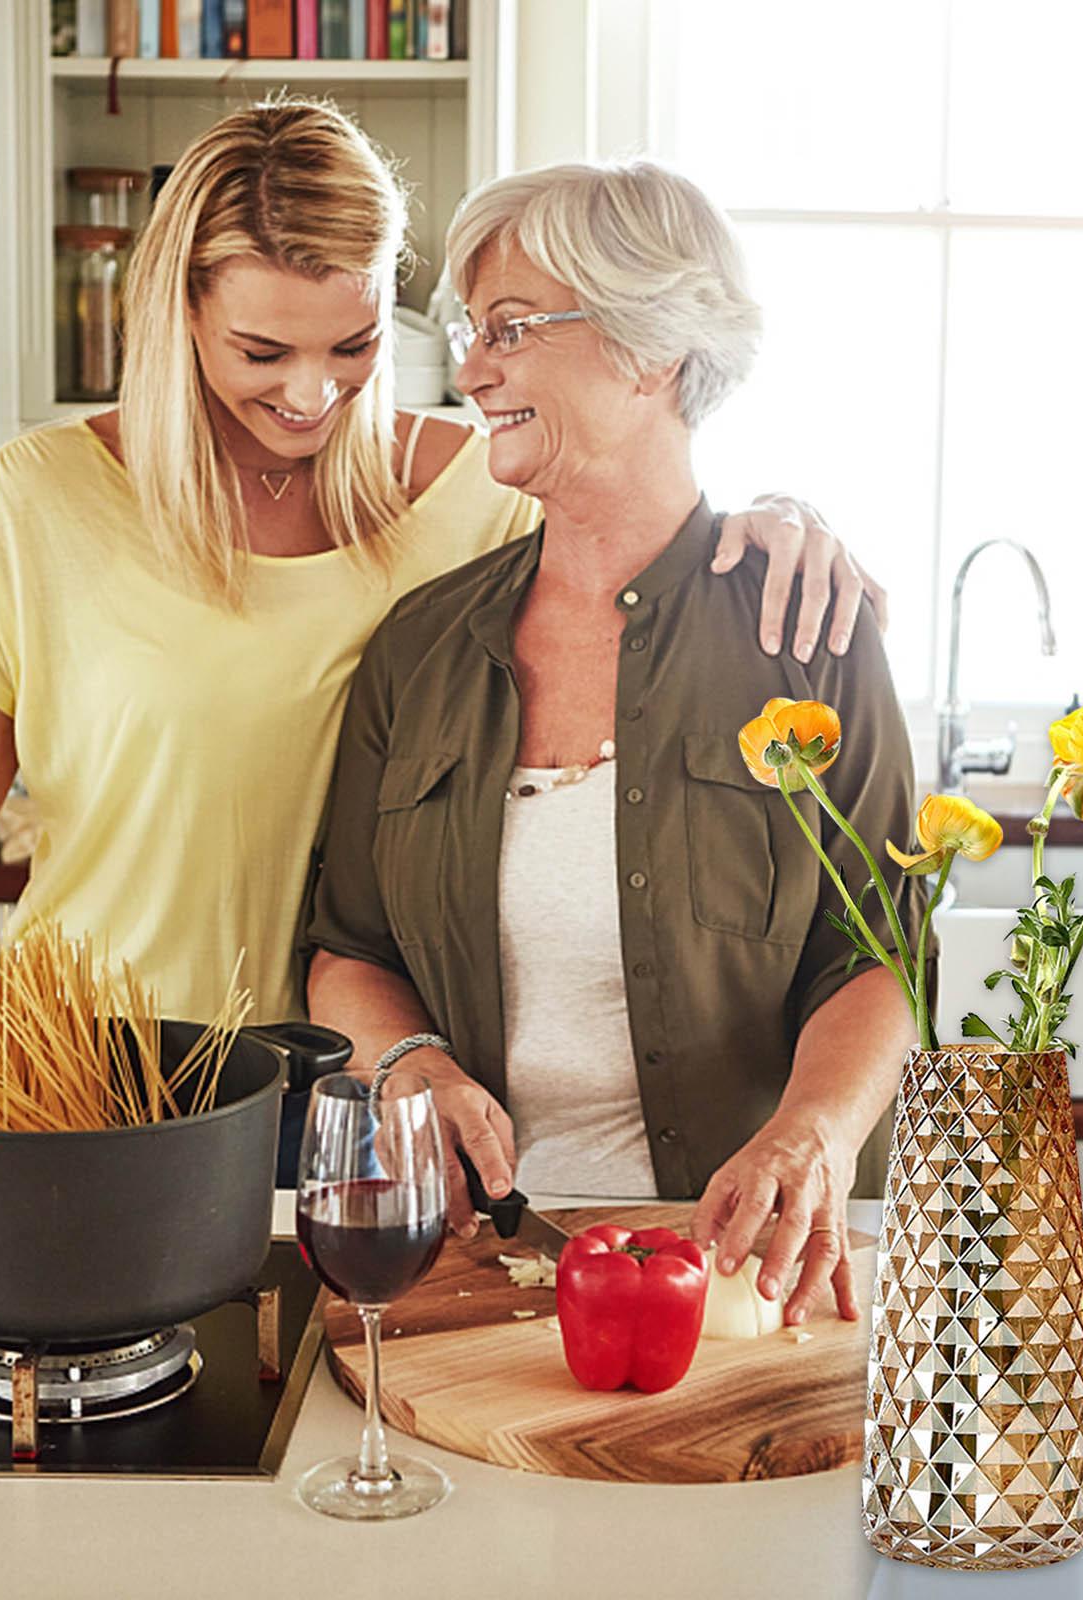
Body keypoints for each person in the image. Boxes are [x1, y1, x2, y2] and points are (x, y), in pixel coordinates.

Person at [0, 99, 881, 1099]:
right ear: (179, 309)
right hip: (92, 1065)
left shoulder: (480, 489)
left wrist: (781, 514)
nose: (312, 393)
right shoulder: (45, 495)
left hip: (356, 1072)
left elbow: (643, 498)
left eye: (356, 343)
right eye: (262, 350)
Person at [305, 158, 925, 1328]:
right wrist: (414, 1066)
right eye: (468, 332)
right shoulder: (419, 649)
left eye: (512, 328)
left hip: (750, 1271)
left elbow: (882, 954)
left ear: (650, 349)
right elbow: (348, 948)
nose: (472, 367)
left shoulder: (809, 634)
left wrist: (813, 1131)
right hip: (479, 1267)